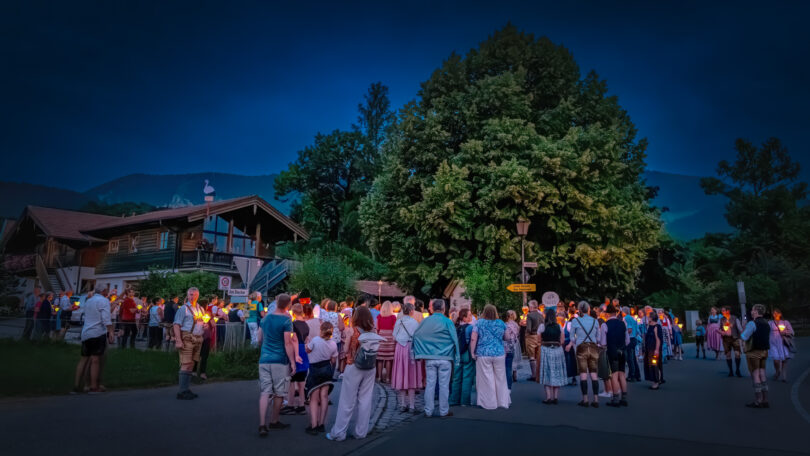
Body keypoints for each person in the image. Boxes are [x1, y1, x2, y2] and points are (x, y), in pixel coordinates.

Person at [327, 306, 384, 441]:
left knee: (347, 400)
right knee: (365, 400)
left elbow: (346, 349)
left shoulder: (352, 330)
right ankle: (361, 432)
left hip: (354, 366)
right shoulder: (373, 330)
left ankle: (339, 433)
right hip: (370, 367)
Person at [257, 293, 299, 436]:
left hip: (264, 360)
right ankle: (274, 421)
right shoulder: (286, 320)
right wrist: (292, 361)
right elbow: (287, 343)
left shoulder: (265, 318)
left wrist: (264, 350)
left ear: (276, 302)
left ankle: (262, 424)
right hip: (280, 360)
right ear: (288, 305)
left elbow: (259, 339)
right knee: (279, 392)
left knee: (265, 392)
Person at [412, 298, 460, 417]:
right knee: (444, 385)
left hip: (430, 357)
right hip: (445, 357)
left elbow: (416, 335)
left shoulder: (426, 321)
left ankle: (428, 411)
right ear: (444, 309)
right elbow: (455, 339)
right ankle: (444, 411)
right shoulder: (448, 322)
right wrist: (457, 356)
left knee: (430, 384)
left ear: (432, 308)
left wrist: (419, 352)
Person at [73, 286, 114, 394]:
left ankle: (77, 385)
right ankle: (94, 386)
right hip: (97, 332)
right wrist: (111, 331)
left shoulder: (88, 301)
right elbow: (106, 318)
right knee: (95, 360)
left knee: (84, 359)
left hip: (86, 332)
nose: (108, 292)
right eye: (107, 290)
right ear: (103, 291)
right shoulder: (104, 300)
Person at [470, 304, 510, 410]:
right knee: (501, 378)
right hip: (499, 353)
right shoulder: (501, 323)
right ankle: (502, 401)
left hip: (483, 353)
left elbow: (473, 338)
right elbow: (507, 337)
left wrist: (472, 352)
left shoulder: (479, 323)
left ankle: (489, 403)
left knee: (486, 379)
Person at [305, 321, 339, 435]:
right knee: (324, 397)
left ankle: (314, 425)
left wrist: (307, 343)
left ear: (321, 330)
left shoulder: (315, 340)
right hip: (326, 370)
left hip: (315, 369)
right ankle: (321, 424)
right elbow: (333, 360)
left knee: (314, 398)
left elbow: (308, 350)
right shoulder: (333, 344)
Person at [567, 301, 602, 407]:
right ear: (588, 309)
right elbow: (599, 338)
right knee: (594, 373)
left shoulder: (575, 321)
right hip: (593, 347)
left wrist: (578, 340)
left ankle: (585, 399)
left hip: (581, 347)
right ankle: (596, 399)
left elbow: (572, 337)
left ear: (579, 310)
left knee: (583, 373)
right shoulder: (595, 321)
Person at [173, 287, 205, 400]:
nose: (192, 297)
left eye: (194, 295)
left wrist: (205, 326)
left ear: (198, 295)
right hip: (186, 338)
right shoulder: (183, 309)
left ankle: (186, 389)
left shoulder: (201, 309)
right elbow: (176, 325)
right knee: (186, 363)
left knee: (191, 363)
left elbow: (202, 322)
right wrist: (178, 340)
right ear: (187, 295)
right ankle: (182, 391)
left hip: (198, 338)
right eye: (190, 294)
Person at [391, 301, 421, 413]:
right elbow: (417, 336)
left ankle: (403, 404)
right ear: (412, 311)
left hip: (400, 348)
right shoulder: (415, 322)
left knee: (401, 374)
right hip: (411, 348)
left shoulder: (399, 322)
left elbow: (394, 337)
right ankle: (412, 405)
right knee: (411, 375)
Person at [740, 304, 770, 408]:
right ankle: (765, 399)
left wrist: (744, 328)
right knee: (762, 374)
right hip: (764, 351)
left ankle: (758, 400)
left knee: (755, 374)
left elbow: (744, 336)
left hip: (754, 351)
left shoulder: (752, 323)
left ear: (756, 311)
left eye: (752, 310)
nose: (751, 312)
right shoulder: (767, 322)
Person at [282, 303, 309, 416]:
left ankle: (290, 404)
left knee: (292, 380)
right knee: (301, 381)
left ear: (293, 313)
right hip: (304, 351)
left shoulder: (293, 325)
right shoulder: (306, 324)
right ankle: (302, 405)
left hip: (296, 350)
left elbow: (293, 340)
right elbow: (307, 339)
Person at [601, 304, 629, 407]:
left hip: (612, 352)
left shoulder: (605, 325)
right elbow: (627, 340)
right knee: (622, 374)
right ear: (616, 313)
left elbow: (603, 342)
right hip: (622, 351)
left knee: (614, 375)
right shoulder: (622, 323)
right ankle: (624, 398)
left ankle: (615, 398)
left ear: (607, 314)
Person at [539, 308, 566, 404]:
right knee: (557, 373)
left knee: (547, 372)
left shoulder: (542, 326)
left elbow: (539, 340)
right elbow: (562, 341)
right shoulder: (559, 326)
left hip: (546, 350)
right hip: (557, 350)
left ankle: (548, 397)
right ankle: (555, 397)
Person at [450, 308, 475, 406]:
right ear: (464, 318)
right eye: (469, 315)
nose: (471, 317)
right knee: (467, 377)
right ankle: (465, 401)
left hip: (457, 354)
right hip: (466, 354)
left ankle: (454, 400)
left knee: (456, 378)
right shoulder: (470, 328)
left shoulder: (455, 327)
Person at [769, 309, 794, 382]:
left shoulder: (785, 322)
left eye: (777, 313)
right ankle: (778, 371)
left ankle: (784, 377)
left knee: (784, 360)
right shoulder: (770, 323)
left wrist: (785, 332)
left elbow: (792, 332)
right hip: (773, 344)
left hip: (783, 343)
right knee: (776, 360)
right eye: (774, 313)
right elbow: (766, 331)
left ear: (780, 314)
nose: (775, 314)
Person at [376, 301, 397, 383]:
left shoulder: (379, 316)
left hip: (381, 336)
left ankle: (379, 377)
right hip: (390, 337)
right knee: (388, 359)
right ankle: (388, 378)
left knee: (380, 359)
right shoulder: (393, 317)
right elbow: (394, 328)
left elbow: (377, 328)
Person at [720, 306, 744, 377]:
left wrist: (742, 338)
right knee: (728, 355)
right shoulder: (721, 319)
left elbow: (740, 329)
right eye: (722, 311)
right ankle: (730, 371)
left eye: (723, 310)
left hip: (735, 338)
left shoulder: (735, 318)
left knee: (737, 354)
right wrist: (721, 332)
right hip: (726, 339)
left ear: (728, 311)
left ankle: (737, 370)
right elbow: (718, 328)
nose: (722, 312)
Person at [643, 311, 663, 390]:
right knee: (650, 365)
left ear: (651, 318)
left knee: (654, 365)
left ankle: (656, 381)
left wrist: (657, 350)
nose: (647, 318)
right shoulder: (650, 326)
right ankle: (655, 380)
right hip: (649, 348)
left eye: (649, 317)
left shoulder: (656, 327)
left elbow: (658, 339)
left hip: (654, 349)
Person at [524, 300, 542, 382]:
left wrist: (526, 334)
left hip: (531, 336)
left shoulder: (530, 315)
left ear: (531, 307)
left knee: (531, 356)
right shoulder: (541, 315)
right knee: (538, 356)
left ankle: (534, 374)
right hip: (539, 336)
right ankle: (539, 374)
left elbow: (529, 328)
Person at [622, 306, 641, 382]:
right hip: (634, 339)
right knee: (633, 358)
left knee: (630, 359)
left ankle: (631, 376)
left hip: (629, 339)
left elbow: (629, 329)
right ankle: (637, 375)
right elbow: (637, 330)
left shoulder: (626, 318)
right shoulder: (633, 318)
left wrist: (624, 335)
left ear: (624, 312)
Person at [504, 310, 520, 389]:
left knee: (507, 367)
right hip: (514, 345)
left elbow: (505, 337)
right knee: (513, 362)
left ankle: (507, 385)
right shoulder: (516, 325)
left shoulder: (506, 325)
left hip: (507, 346)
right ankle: (514, 376)